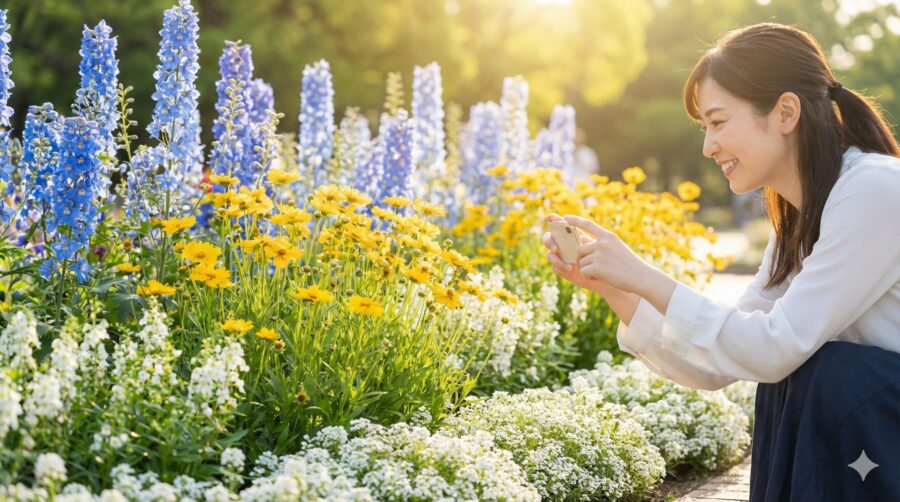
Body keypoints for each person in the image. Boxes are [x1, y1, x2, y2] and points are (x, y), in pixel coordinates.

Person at [543, 23, 900, 501]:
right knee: (798, 375)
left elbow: (774, 348)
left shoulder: (874, 190)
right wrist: (614, 285)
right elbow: (725, 361)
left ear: (785, 112)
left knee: (824, 372)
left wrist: (645, 275)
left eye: (718, 122)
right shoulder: (803, 214)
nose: (709, 147)